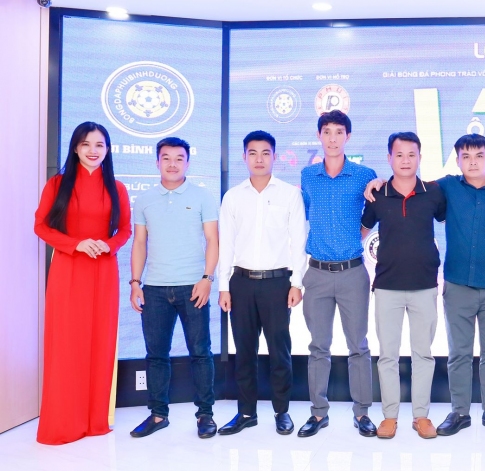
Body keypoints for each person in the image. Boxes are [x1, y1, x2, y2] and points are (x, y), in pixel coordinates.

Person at [368, 134, 485, 437]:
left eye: (479, 156)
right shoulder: (445, 187)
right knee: (457, 352)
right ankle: (458, 412)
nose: (473, 162)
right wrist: (377, 182)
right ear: (457, 160)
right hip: (456, 282)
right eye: (466, 157)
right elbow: (409, 183)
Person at [33, 121, 131, 445]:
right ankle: (64, 423)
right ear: (75, 148)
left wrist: (109, 245)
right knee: (67, 344)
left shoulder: (117, 188)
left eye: (99, 145)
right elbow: (41, 226)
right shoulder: (57, 184)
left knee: (100, 342)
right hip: (68, 268)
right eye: (86, 144)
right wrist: (75, 244)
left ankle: (94, 421)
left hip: (104, 271)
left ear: (108, 150)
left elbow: (125, 230)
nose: (93, 150)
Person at [217, 131, 307, 436]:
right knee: (244, 351)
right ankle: (246, 413)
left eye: (265, 153)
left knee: (280, 351)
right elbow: (226, 244)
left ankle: (282, 411)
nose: (259, 159)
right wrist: (223, 286)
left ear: (274, 157)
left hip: (277, 283)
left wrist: (297, 283)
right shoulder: (233, 197)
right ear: (244, 157)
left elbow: (298, 241)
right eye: (253, 153)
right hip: (241, 282)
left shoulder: (289, 194)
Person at [128, 137, 219, 439]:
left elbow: (213, 240)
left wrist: (207, 278)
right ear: (157, 162)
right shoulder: (144, 199)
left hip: (193, 286)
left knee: (200, 353)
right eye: (166, 158)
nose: (172, 164)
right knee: (156, 355)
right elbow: (139, 243)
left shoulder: (202, 196)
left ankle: (205, 415)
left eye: (179, 158)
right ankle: (158, 415)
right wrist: (135, 282)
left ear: (187, 163)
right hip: (154, 289)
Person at [361, 132, 446, 440]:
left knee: (423, 353)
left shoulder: (433, 193)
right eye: (399, 155)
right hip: (387, 286)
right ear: (389, 158)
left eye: (412, 154)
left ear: (420, 157)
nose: (406, 160)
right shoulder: (378, 194)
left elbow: (448, 215)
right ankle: (390, 416)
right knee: (388, 355)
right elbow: (362, 230)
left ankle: (421, 416)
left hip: (425, 285)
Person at [298, 111, 378, 438]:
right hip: (316, 273)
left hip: (352, 273)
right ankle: (318, 413)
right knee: (318, 346)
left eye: (339, 132)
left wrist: (353, 236)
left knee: (358, 345)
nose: (333, 138)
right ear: (319, 136)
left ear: (348, 136)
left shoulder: (364, 175)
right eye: (327, 132)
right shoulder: (308, 175)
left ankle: (362, 413)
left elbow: (373, 213)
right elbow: (304, 215)